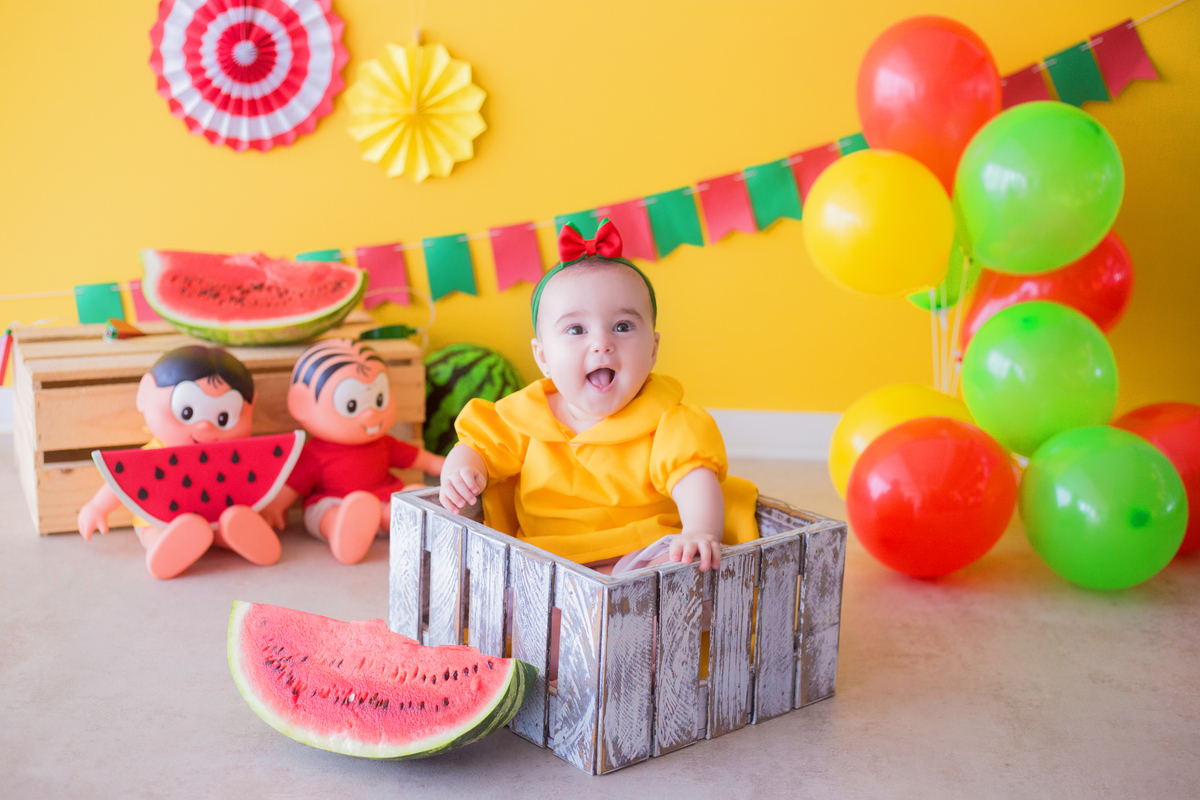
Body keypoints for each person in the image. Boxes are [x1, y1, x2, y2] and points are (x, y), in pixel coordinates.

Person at [439, 219, 758, 574]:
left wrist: (700, 530)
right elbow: (477, 446)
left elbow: (693, 478)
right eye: (576, 329)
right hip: (548, 560)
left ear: (652, 350)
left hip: (641, 552)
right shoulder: (523, 417)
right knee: (512, 590)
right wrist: (461, 472)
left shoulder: (668, 418)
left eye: (622, 326)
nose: (602, 343)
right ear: (543, 357)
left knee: (675, 569)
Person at [77, 346, 281, 579]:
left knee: (224, 522)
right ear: (145, 394)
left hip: (216, 513)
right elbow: (124, 480)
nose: (205, 427)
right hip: (156, 520)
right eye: (187, 412)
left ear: (250, 407)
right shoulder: (150, 456)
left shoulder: (234, 455)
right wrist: (98, 507)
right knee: (151, 531)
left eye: (223, 418)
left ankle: (234, 531)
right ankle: (161, 547)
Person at [262, 339, 446, 565]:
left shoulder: (385, 443)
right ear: (301, 404)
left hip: (384, 501)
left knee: (411, 496)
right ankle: (341, 530)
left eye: (379, 399)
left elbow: (418, 458)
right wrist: (274, 508)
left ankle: (407, 522)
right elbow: (294, 484)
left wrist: (443, 465)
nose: (370, 414)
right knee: (322, 516)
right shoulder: (314, 454)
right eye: (351, 405)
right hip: (333, 503)